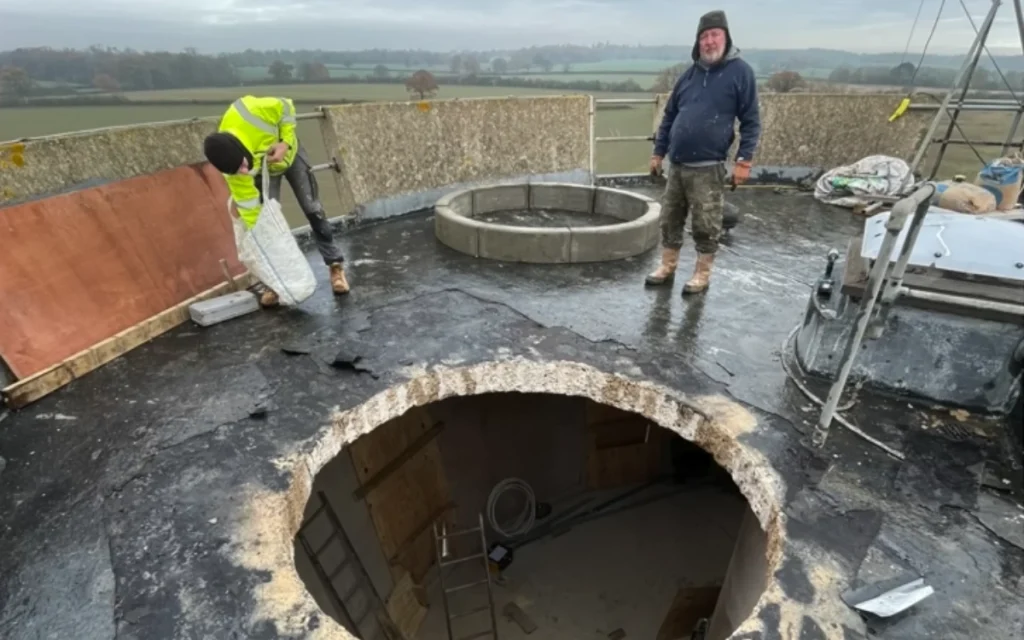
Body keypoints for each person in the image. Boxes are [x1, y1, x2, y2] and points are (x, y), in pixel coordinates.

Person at [645, 10, 761, 294]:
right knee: (670, 219)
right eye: (704, 36)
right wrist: (658, 153)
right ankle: (668, 266)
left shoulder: (741, 73)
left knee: (706, 223)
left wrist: (744, 161)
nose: (709, 41)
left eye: (715, 35)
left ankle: (702, 273)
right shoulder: (688, 76)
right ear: (698, 42)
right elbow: (670, 116)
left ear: (726, 37)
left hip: (709, 167)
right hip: (678, 165)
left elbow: (751, 121)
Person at [203, 95, 349, 307]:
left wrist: (285, 143)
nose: (243, 172)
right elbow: (252, 214)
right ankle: (275, 284)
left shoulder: (250, 110)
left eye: (243, 165)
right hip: (266, 170)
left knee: (312, 208)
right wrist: (259, 239)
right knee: (266, 221)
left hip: (290, 153)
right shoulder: (234, 172)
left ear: (240, 147)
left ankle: (335, 266)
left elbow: (286, 106)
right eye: (238, 171)